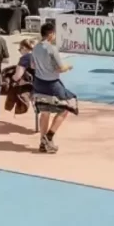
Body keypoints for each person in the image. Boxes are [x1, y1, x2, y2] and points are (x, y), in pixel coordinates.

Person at [31, 22, 78, 154]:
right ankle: (49, 136)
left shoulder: (35, 48)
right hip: (52, 83)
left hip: (39, 82)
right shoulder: (51, 49)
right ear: (51, 34)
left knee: (45, 112)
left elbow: (33, 65)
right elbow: (60, 68)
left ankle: (42, 142)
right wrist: (68, 66)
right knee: (67, 106)